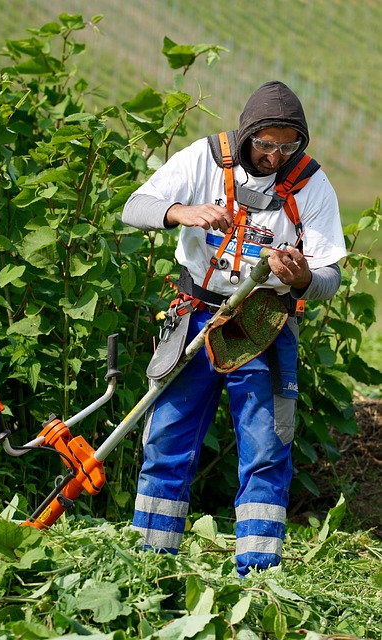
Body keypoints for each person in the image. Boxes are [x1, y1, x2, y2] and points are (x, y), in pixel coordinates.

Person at [122, 80, 347, 578]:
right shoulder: (204, 159)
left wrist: (303, 277)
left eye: (287, 145)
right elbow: (134, 206)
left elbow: (329, 276)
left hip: (262, 326)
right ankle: (148, 566)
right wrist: (181, 211)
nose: (274, 155)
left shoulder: (312, 185)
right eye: (266, 144)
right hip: (195, 319)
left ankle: (259, 576)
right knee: (167, 439)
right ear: (247, 135)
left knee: (266, 448)